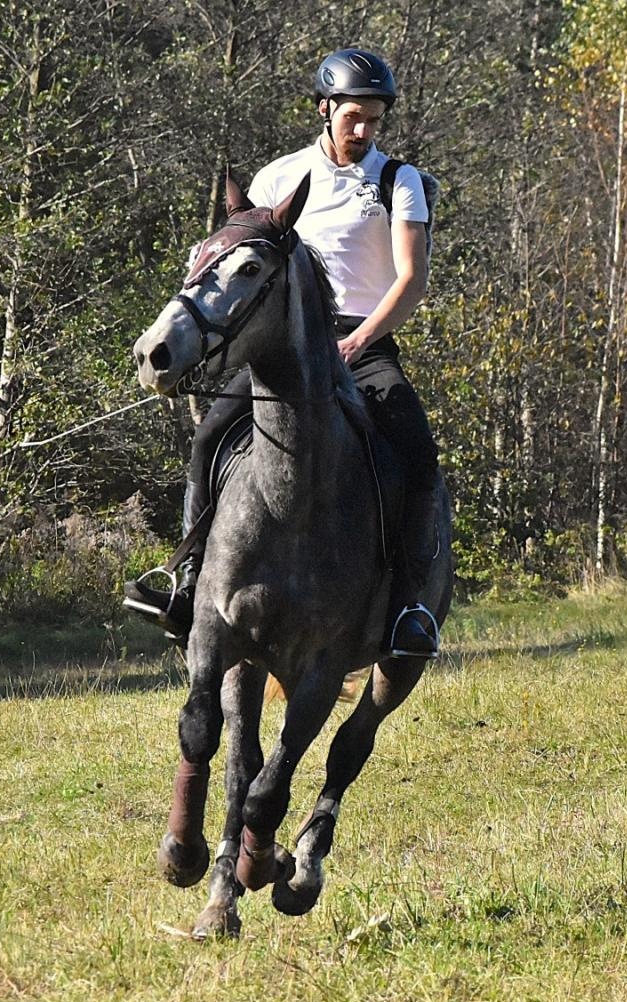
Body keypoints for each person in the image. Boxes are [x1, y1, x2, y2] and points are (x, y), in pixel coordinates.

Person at [125, 47, 442, 658]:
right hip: (285, 341)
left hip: (363, 340)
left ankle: (408, 609)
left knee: (415, 454)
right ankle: (184, 585)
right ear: (325, 109)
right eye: (354, 115)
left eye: (375, 119)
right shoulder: (278, 179)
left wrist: (359, 338)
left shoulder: (397, 182)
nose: (365, 129)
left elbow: (412, 280)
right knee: (210, 438)